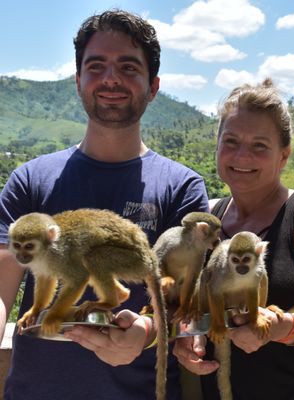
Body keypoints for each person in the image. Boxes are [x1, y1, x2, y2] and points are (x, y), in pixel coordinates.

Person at [0, 10, 209, 400]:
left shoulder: (181, 187)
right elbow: (4, 286)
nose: (111, 78)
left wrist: (144, 334)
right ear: (78, 81)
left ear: (153, 86)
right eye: (97, 66)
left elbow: (185, 301)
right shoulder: (29, 180)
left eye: (128, 67)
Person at [173, 78, 294, 399]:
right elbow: (192, 304)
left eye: (260, 146)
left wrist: (281, 328)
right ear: (217, 145)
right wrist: (188, 334)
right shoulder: (208, 218)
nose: (242, 156)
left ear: (284, 156)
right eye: (231, 141)